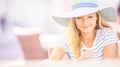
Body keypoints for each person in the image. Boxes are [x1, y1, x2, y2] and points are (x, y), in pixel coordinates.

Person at [48, 0, 118, 61]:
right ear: (74, 20)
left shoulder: (107, 35)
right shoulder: (67, 38)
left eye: (90, 17)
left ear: (97, 17)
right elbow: (50, 64)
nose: (85, 22)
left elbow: (110, 65)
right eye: (79, 18)